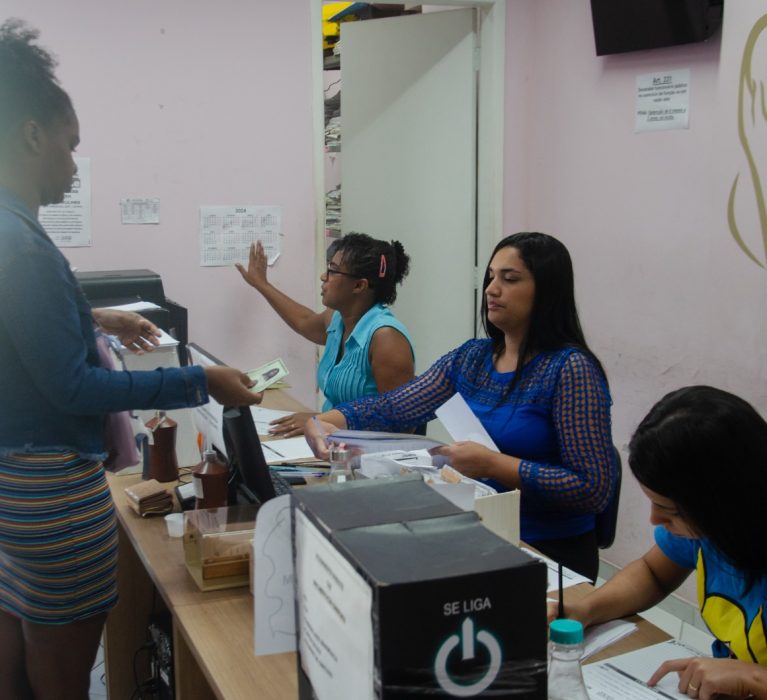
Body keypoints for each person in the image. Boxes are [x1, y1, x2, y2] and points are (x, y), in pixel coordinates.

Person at [0, 20, 260, 699]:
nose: (73, 164)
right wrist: (200, 379)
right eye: (70, 145)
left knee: (17, 654)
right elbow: (73, 387)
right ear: (32, 135)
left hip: (12, 484)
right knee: (60, 671)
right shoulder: (22, 245)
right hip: (49, 488)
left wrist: (90, 317)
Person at [307, 231, 618, 580]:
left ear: (547, 291)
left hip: (547, 551)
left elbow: (592, 489)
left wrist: (494, 465)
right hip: (482, 530)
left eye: (510, 279)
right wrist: (328, 420)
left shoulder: (571, 369)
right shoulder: (473, 357)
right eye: (491, 277)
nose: (492, 289)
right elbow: (395, 406)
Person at [550, 386, 767, 700]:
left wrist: (754, 678)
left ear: (724, 503)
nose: (654, 520)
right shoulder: (709, 531)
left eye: (670, 511)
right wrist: (586, 610)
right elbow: (653, 573)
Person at [236, 232, 415, 436]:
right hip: (329, 439)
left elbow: (401, 424)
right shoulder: (337, 318)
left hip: (365, 450)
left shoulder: (386, 339)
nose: (323, 277)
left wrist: (322, 420)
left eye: (332, 270)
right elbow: (304, 321)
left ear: (359, 285)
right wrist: (262, 284)